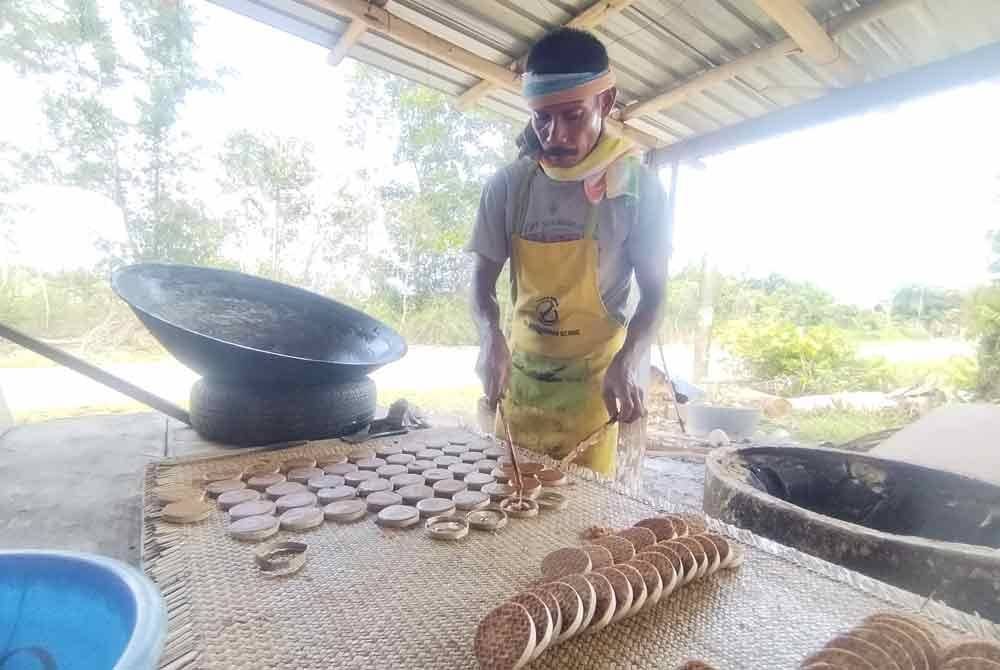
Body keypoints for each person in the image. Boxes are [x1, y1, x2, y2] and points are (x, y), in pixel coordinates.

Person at [467, 27, 671, 475]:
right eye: (542, 118)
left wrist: (630, 357)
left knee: (584, 527)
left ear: (606, 101)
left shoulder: (636, 191)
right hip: (520, 384)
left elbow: (655, 294)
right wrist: (488, 336)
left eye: (573, 116)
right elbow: (481, 286)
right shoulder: (508, 186)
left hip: (597, 390)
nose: (554, 135)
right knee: (508, 508)